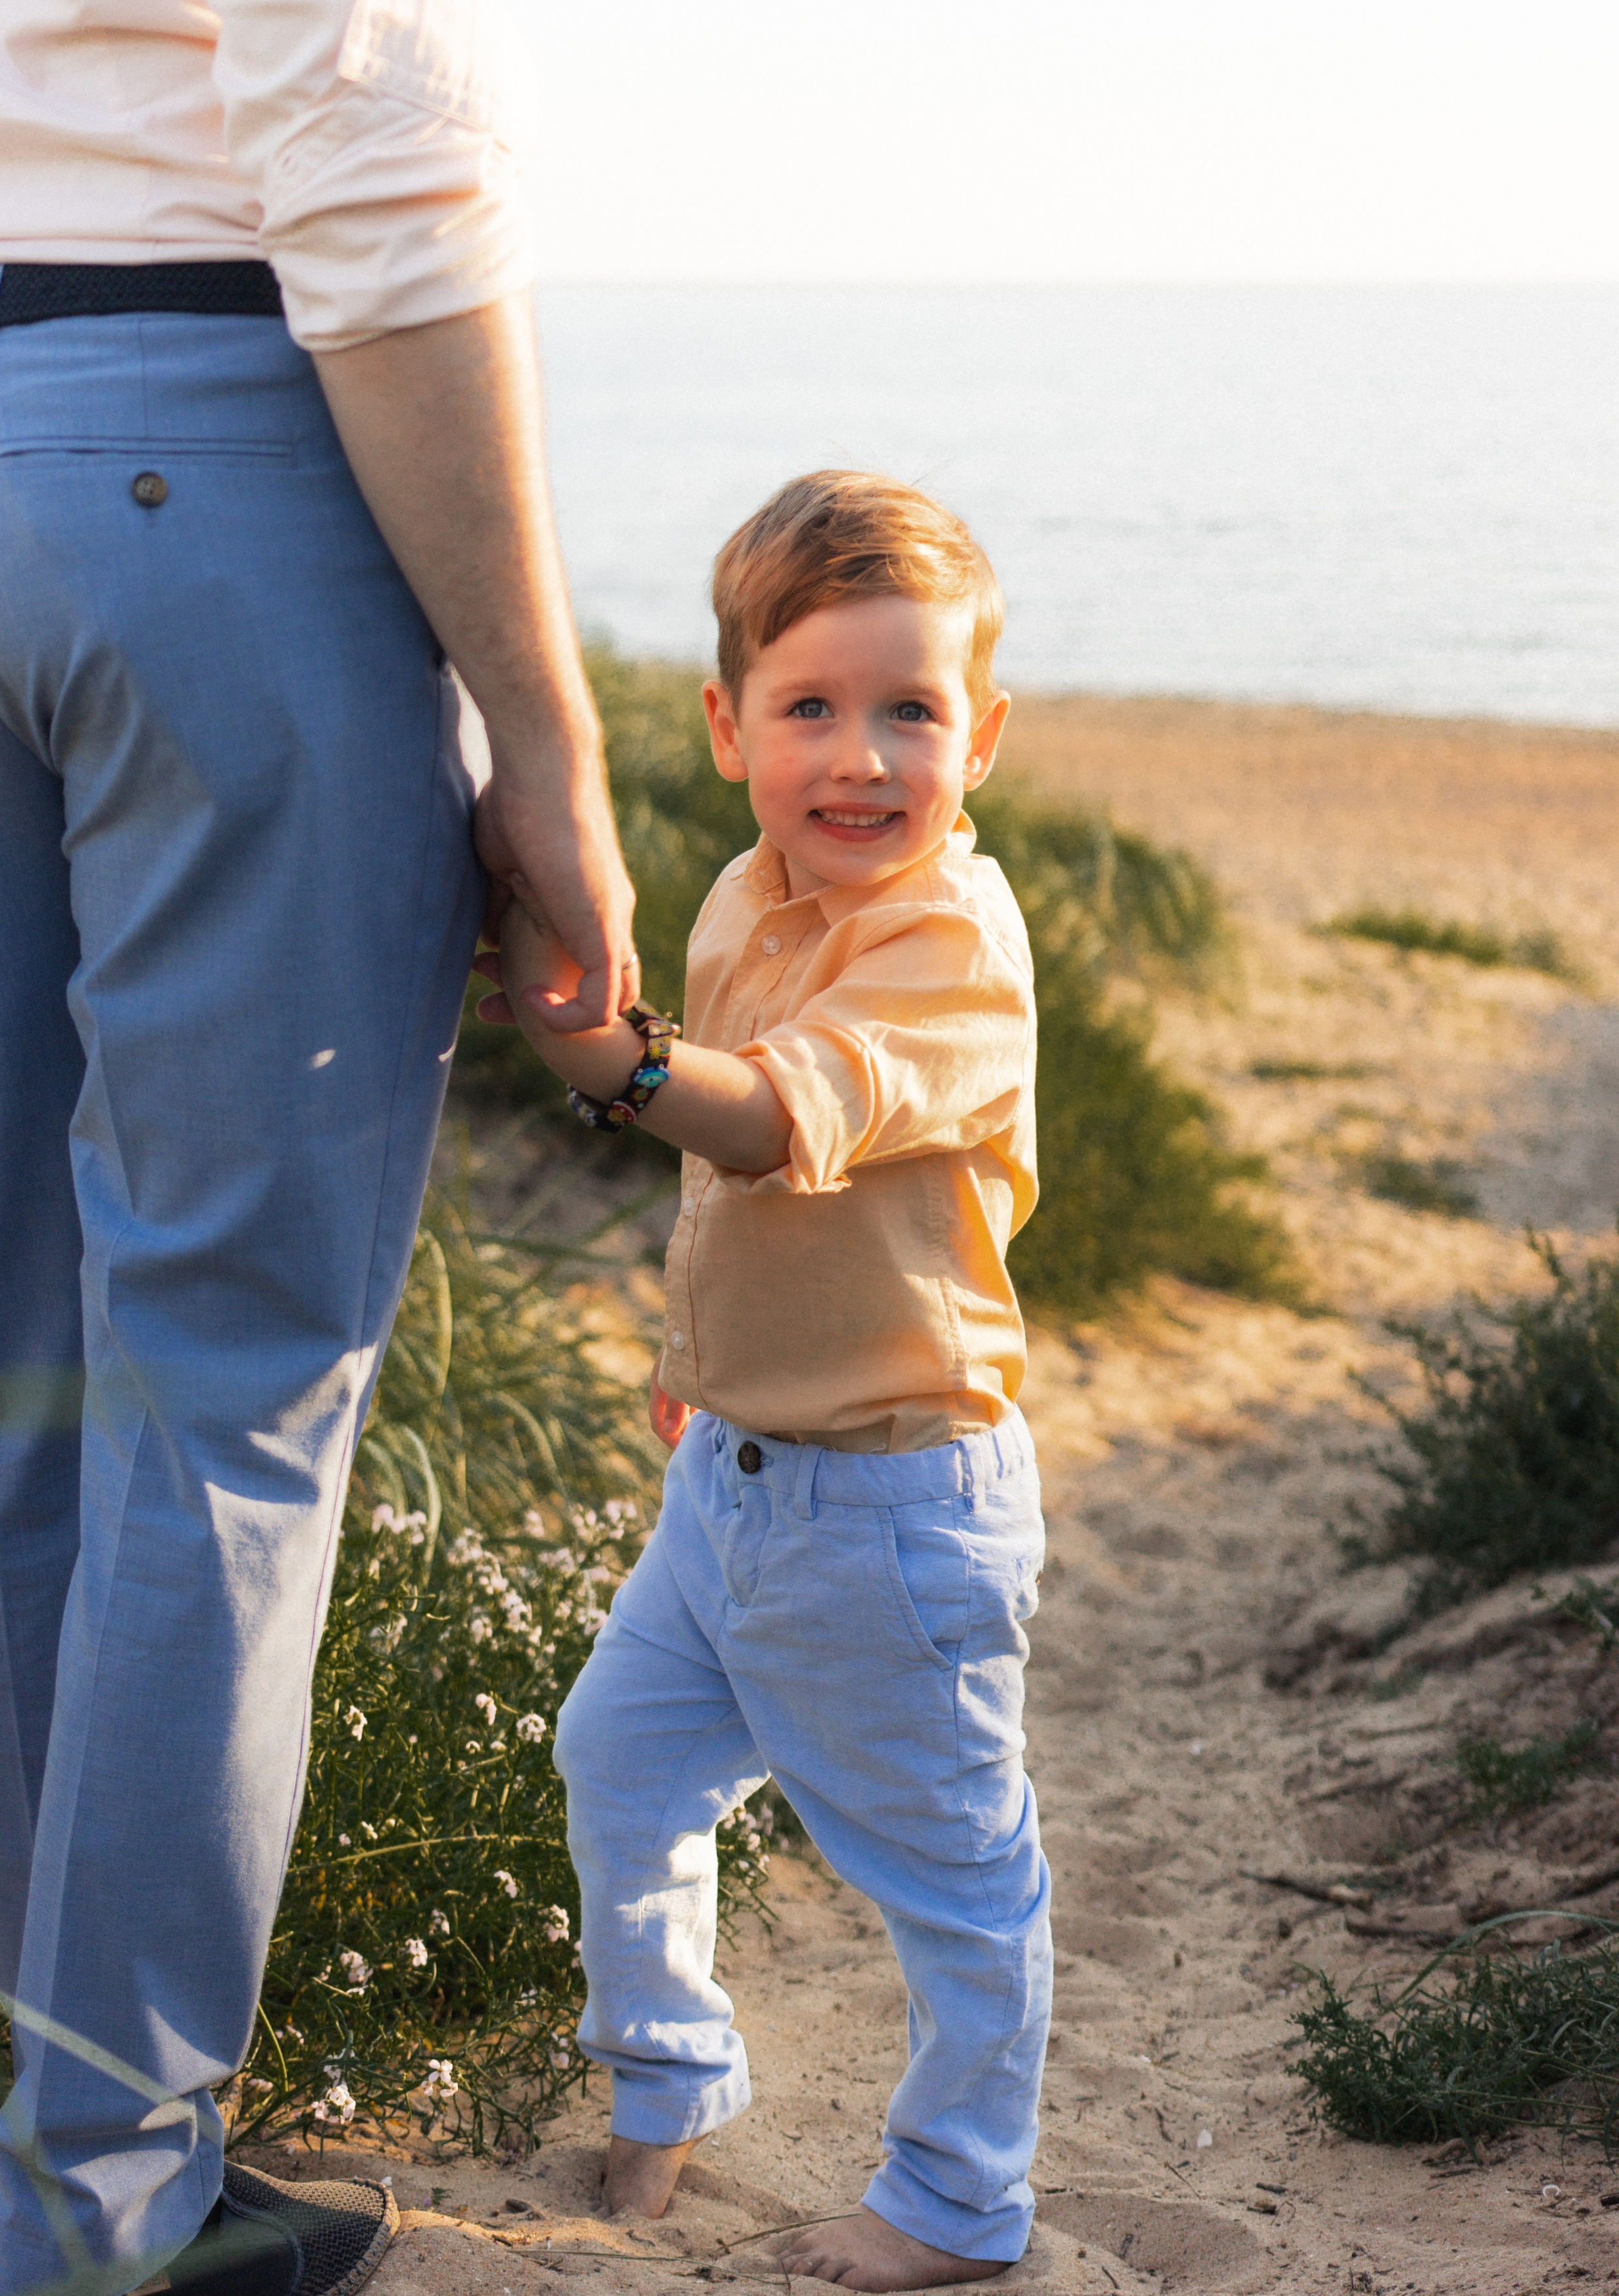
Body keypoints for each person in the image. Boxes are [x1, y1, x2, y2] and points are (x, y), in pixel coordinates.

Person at [0, 0, 633, 2293]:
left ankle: (85, 2146)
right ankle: (107, 2208)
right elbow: (365, 145)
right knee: (223, 1392)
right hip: (198, 446)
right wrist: (543, 730)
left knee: (10, 1351)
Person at [490, 470, 1049, 2293]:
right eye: (810, 706)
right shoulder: (749, 890)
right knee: (619, 1760)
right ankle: (669, 2076)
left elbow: (767, 1124)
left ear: (982, 737)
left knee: (954, 1875)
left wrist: (607, 1056)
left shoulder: (952, 944)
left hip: (894, 1505)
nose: (862, 758)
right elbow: (735, 1216)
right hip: (732, 1474)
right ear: (729, 728)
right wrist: (698, 1364)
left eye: (913, 711)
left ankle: (959, 2202)